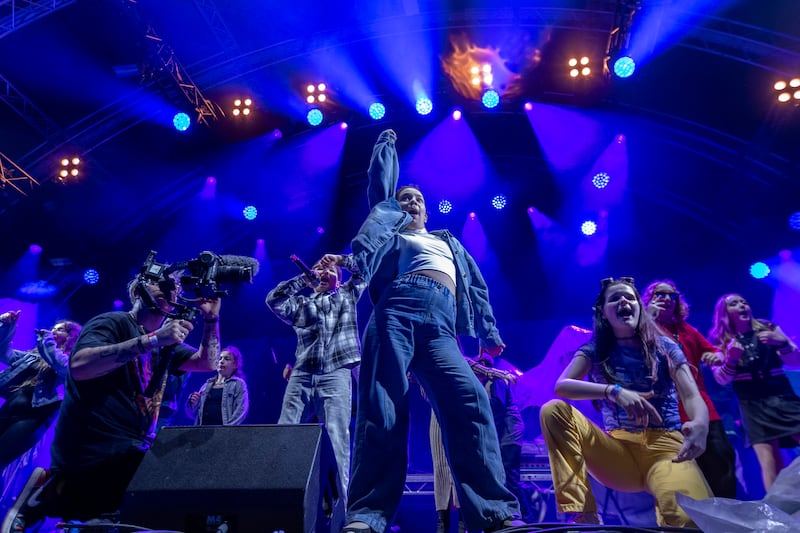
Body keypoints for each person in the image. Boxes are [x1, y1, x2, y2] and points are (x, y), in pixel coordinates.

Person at [340, 129, 522, 533]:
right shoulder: (392, 234)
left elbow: (475, 287)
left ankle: (492, 512)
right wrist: (386, 149)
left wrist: (488, 333)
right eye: (405, 199)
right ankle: (367, 516)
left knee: (470, 401)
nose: (412, 203)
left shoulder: (448, 243)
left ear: (427, 211)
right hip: (396, 310)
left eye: (418, 200)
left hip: (441, 326)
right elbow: (380, 190)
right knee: (382, 406)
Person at [3, 269, 221, 532]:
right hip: (94, 438)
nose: (169, 286)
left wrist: (211, 320)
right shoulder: (112, 322)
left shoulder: (168, 343)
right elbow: (80, 366)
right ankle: (49, 492)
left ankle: (49, 493)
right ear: (137, 291)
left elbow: (206, 362)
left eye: (174, 284)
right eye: (159, 282)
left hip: (133, 441)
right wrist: (152, 340)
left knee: (107, 508)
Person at [539, 277, 711, 527]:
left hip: (666, 449)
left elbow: (691, 394)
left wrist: (701, 425)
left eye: (630, 297)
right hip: (618, 452)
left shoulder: (665, 346)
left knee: (686, 519)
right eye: (615, 298)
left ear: (640, 306)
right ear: (603, 312)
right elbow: (562, 385)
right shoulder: (595, 349)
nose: (624, 301)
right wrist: (614, 391)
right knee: (553, 410)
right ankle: (583, 514)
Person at [266, 254, 366, 504]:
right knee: (285, 433)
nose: (322, 272)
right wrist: (303, 278)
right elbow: (273, 299)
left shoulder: (347, 294)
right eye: (318, 270)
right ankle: (280, 501)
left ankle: (341, 509)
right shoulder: (301, 304)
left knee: (336, 438)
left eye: (327, 269)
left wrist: (339, 261)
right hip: (303, 373)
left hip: (336, 372)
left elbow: (366, 268)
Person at [643, 280, 737, 498]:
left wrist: (716, 356)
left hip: (701, 408)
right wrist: (647, 318)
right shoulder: (640, 329)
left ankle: (727, 519)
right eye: (659, 294)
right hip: (666, 412)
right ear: (649, 299)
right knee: (683, 470)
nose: (666, 299)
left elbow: (714, 351)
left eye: (671, 296)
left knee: (722, 459)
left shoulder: (686, 330)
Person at [708, 293, 800, 491]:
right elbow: (722, 379)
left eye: (744, 301)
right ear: (725, 313)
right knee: (769, 460)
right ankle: (778, 513)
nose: (742, 305)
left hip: (781, 394)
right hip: (751, 403)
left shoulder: (768, 328)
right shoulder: (720, 340)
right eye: (735, 303)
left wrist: (781, 342)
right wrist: (731, 359)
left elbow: (795, 360)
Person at [0, 312, 81, 471]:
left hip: (33, 417)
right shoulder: (33, 357)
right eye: (53, 329)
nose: (53, 332)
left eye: (60, 330)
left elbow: (62, 367)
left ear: (72, 337)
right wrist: (7, 326)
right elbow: (3, 351)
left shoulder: (74, 363)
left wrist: (48, 341)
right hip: (10, 407)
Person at [186, 345, 249, 425]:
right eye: (220, 358)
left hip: (224, 434)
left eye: (227, 359)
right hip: (203, 433)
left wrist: (226, 430)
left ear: (235, 365)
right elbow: (194, 415)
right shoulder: (206, 386)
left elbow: (241, 410)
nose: (221, 361)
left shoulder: (238, 384)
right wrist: (193, 403)